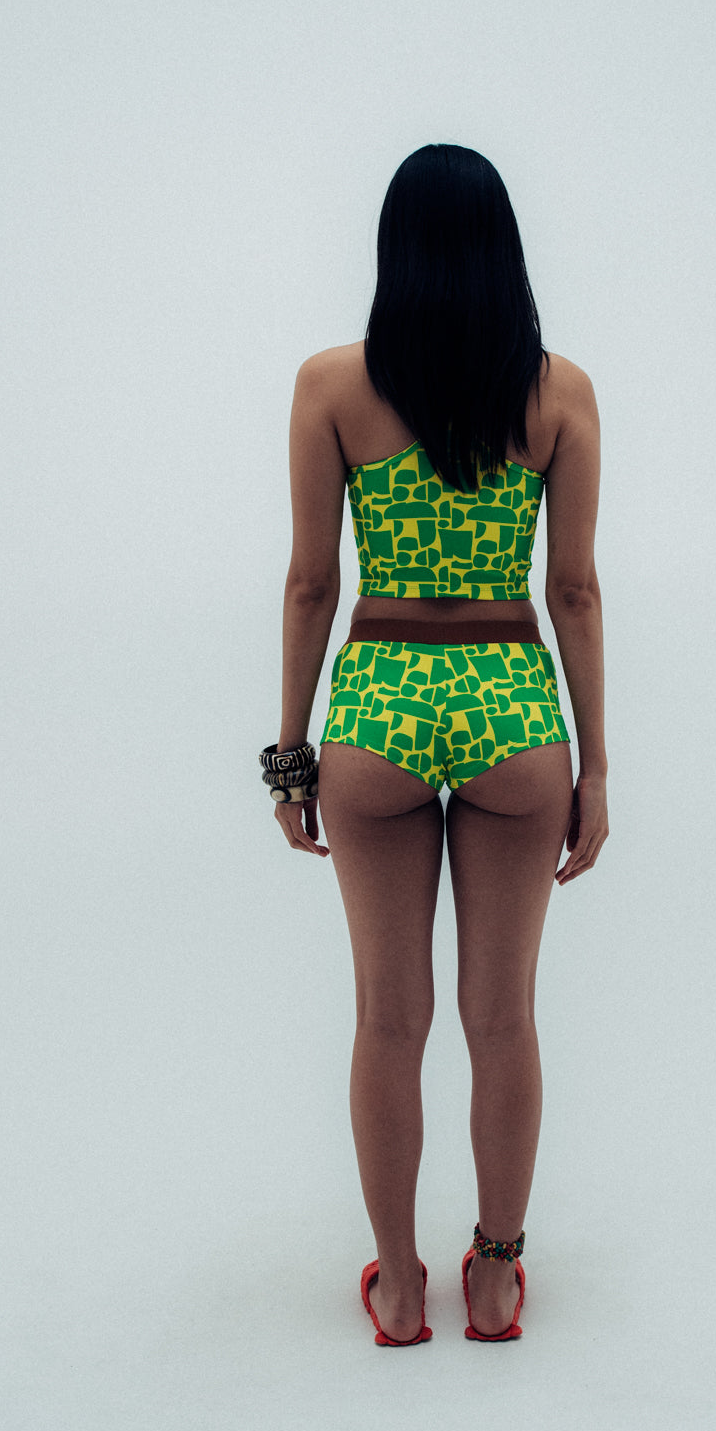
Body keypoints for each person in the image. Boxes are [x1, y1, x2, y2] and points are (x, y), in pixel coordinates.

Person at [265, 143, 607, 1345]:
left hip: (379, 712)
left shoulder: (331, 387)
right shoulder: (559, 395)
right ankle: (498, 1279)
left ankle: (404, 1287)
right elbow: (574, 592)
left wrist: (292, 756)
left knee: (388, 1018)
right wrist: (596, 766)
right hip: (514, 710)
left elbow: (312, 584)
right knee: (502, 1017)